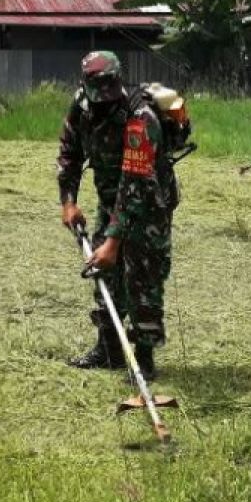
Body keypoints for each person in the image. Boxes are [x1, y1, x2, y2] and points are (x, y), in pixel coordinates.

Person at [56, 51, 180, 380]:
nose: (101, 104)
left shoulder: (141, 117)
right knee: (105, 276)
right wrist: (68, 200)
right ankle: (109, 350)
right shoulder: (82, 105)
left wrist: (114, 242)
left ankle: (144, 357)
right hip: (110, 200)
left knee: (143, 279)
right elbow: (69, 153)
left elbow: (135, 184)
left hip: (148, 204)